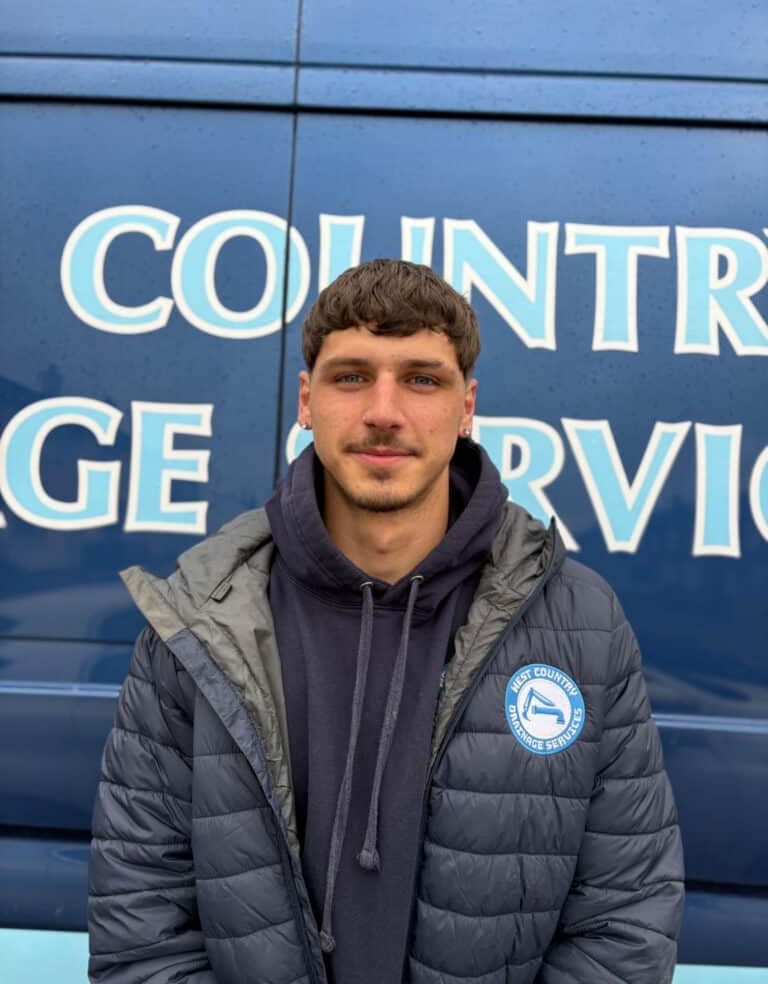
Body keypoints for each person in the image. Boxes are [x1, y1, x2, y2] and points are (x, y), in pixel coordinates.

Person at [88, 259, 685, 984]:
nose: (383, 411)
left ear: (467, 407)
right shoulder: (200, 621)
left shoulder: (581, 624)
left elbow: (625, 920)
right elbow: (142, 929)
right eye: (351, 376)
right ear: (306, 401)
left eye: (422, 379)